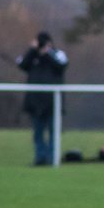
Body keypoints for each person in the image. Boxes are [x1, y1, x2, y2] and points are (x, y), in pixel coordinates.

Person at [16, 32, 68, 166]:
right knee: (37, 134)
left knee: (53, 132)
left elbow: (61, 66)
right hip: (35, 103)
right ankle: (40, 159)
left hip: (52, 103)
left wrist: (48, 53)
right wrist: (33, 50)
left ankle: (52, 159)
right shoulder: (32, 56)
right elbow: (21, 65)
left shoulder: (57, 54)